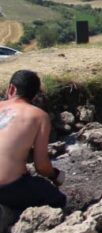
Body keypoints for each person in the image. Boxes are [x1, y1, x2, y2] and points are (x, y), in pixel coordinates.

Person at [0, 71, 66, 215]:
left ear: (11, 89)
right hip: (6, 189)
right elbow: (41, 165)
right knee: (56, 198)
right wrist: (55, 175)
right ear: (34, 95)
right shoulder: (39, 116)